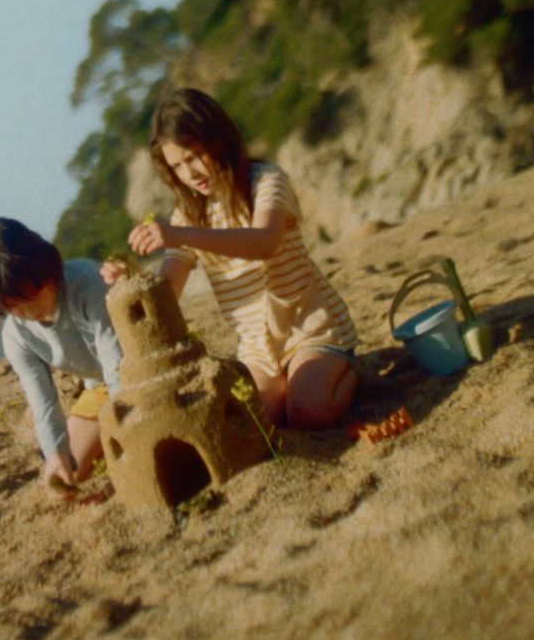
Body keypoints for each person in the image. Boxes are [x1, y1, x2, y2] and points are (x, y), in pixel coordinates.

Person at [106, 88, 359, 430]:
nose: (189, 172)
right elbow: (167, 293)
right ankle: (307, 380)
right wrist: (131, 280)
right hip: (257, 350)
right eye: (177, 165)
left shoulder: (267, 181)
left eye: (194, 155)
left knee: (307, 413)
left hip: (311, 329)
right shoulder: (188, 213)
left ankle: (353, 372)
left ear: (218, 139)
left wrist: (180, 234)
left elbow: (264, 242)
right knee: (257, 424)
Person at [0, 218, 123, 494]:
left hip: (137, 369)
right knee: (68, 473)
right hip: (99, 388)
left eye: (30, 293)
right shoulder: (16, 336)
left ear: (44, 267)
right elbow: (44, 406)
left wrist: (124, 440)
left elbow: (117, 366)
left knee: (137, 440)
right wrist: (55, 454)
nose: (27, 310)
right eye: (12, 305)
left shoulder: (87, 285)